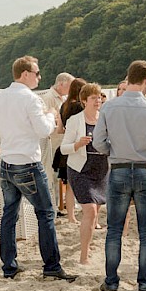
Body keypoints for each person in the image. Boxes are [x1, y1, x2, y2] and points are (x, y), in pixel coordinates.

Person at [0, 56, 76, 282]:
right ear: (25, 74)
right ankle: (52, 266)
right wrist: (51, 115)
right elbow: (44, 130)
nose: (40, 77)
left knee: (9, 214)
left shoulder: (0, 97)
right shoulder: (32, 99)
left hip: (6, 161)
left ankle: (9, 265)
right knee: (46, 213)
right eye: (36, 73)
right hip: (27, 161)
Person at [92, 60, 146, 291]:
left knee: (114, 230)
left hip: (119, 168)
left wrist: (112, 150)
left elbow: (97, 142)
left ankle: (111, 282)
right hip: (145, 169)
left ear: (128, 77)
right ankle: (144, 284)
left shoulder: (110, 107)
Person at [59, 83, 108, 265]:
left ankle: (87, 241)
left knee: (95, 212)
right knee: (90, 210)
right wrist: (78, 144)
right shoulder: (75, 120)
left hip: (102, 169)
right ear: (84, 100)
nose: (98, 101)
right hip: (80, 169)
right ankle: (84, 256)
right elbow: (63, 148)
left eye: (99, 97)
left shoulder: (104, 118)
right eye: (94, 98)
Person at [55, 77, 87, 222]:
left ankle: (71, 216)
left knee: (69, 185)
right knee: (83, 182)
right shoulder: (80, 107)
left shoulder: (64, 106)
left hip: (65, 149)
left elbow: (60, 130)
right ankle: (83, 213)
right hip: (79, 147)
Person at [42, 72, 73, 213]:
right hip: (53, 142)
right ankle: (55, 205)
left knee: (63, 175)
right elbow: (45, 118)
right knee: (53, 175)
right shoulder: (48, 97)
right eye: (70, 85)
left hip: (63, 141)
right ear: (61, 84)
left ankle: (63, 202)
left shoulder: (65, 97)